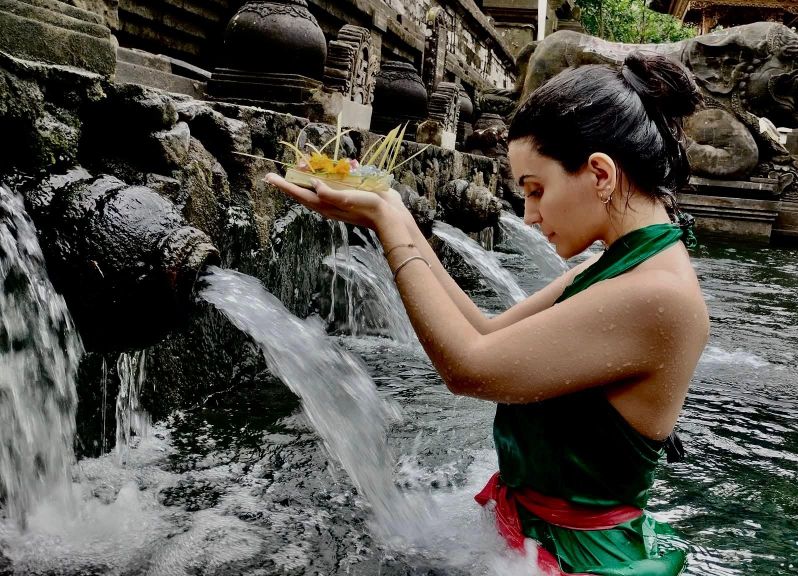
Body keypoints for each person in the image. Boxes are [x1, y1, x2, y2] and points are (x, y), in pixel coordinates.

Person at [266, 51, 710, 576]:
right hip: (529, 538)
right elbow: (486, 331)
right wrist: (397, 217)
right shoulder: (625, 264)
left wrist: (387, 225)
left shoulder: (654, 293)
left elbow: (470, 368)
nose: (529, 214)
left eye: (536, 190)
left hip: (576, 561)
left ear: (599, 173)